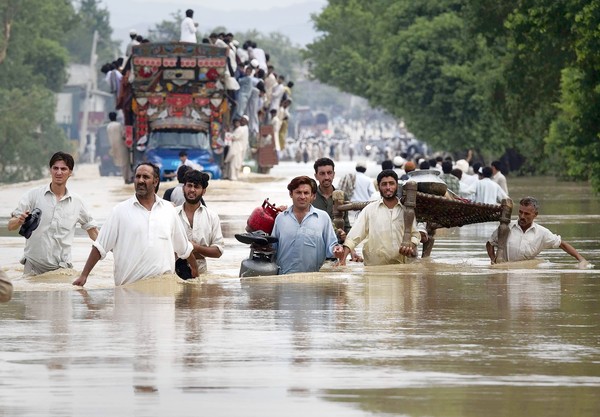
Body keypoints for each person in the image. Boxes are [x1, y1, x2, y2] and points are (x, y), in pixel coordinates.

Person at [72, 163, 197, 287]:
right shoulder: (119, 211)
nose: (140, 180)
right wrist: (84, 275)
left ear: (155, 181)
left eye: (145, 177)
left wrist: (195, 271)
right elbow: (100, 247)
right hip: (129, 292)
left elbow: (184, 248)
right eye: (137, 176)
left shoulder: (169, 210)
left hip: (163, 294)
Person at [8, 152, 98, 276]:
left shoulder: (77, 202)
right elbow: (10, 226)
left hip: (62, 271)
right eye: (55, 168)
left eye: (63, 169)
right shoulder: (33, 196)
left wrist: (115, 250)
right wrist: (19, 221)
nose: (59, 172)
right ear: (50, 170)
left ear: (70, 172)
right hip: (33, 268)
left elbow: (93, 232)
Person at [338, 169, 420, 266]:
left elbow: (415, 235)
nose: (388, 187)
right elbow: (353, 237)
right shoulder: (369, 210)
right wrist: (342, 261)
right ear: (379, 187)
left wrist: (411, 245)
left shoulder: (407, 211)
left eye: (391, 183)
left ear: (397, 186)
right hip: (375, 270)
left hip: (402, 268)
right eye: (384, 184)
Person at [271, 176, 343, 274]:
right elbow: (272, 249)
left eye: (306, 193)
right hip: (284, 280)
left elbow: (331, 246)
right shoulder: (280, 219)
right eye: (298, 192)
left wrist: (337, 250)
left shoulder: (322, 218)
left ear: (313, 196)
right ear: (291, 194)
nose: (302, 197)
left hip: (313, 280)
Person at [487, 196, 587, 266]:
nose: (522, 216)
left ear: (535, 215)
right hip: (505, 273)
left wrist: (581, 259)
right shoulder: (506, 227)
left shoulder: (542, 233)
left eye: (526, 214)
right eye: (520, 212)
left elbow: (562, 244)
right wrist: (493, 259)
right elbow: (490, 243)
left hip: (527, 277)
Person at [312, 158, 362, 262]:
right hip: (314, 250)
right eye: (322, 173)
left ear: (334, 174)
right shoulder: (309, 197)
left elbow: (347, 225)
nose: (326, 177)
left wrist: (352, 251)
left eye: (329, 173)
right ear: (316, 176)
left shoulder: (342, 196)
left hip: (336, 252)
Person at [175, 170, 224, 274]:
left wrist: (196, 247)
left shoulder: (212, 217)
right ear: (183, 188)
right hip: (173, 272)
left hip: (201, 274)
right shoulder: (172, 214)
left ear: (204, 191)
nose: (192, 190)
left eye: (196, 187)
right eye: (189, 185)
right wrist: (195, 251)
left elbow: (218, 251)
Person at [107, 112, 132, 184]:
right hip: (122, 146)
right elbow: (124, 135)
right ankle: (127, 179)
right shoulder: (119, 125)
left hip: (113, 147)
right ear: (116, 117)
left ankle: (125, 178)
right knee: (125, 163)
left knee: (121, 163)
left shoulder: (108, 126)